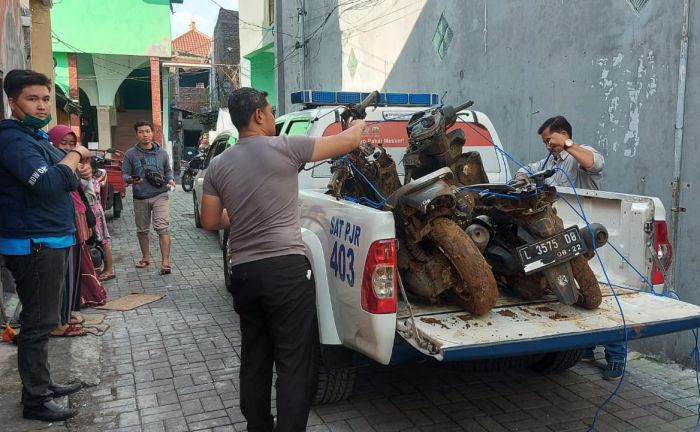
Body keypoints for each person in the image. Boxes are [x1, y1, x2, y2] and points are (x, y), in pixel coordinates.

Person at [200, 87, 366, 431]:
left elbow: (210, 221)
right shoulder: (286, 147)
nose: (275, 117)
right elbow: (347, 142)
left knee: (255, 356)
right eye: (272, 111)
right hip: (286, 273)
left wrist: (243, 214)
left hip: (244, 273)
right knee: (293, 362)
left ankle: (259, 425)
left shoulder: (218, 165)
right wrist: (359, 121)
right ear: (258, 115)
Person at [0, 69, 87, 421]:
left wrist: (69, 166)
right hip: (34, 242)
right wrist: (76, 156)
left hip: (51, 238)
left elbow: (61, 178)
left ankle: (42, 385)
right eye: (32, 99)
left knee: (46, 318)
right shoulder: (12, 140)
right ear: (13, 102)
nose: (41, 106)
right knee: (37, 323)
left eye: (45, 98)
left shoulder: (34, 137)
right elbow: (48, 183)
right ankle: (36, 400)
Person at [518, 115, 624, 380]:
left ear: (562, 134)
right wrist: (522, 176)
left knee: (602, 292)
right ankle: (586, 347)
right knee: (577, 292)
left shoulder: (582, 154)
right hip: (564, 235)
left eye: (549, 140)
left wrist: (566, 144)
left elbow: (593, 163)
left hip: (587, 233)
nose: (547, 147)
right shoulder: (550, 161)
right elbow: (525, 170)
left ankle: (617, 356)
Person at [122, 121, 176, 275]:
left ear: (153, 133)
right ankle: (145, 257)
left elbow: (168, 171)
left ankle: (165, 262)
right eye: (141, 132)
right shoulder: (130, 154)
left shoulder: (162, 153)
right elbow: (125, 174)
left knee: (162, 227)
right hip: (140, 197)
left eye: (147, 131)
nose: (145, 135)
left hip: (160, 195)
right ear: (136, 134)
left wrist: (170, 179)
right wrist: (131, 180)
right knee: (142, 230)